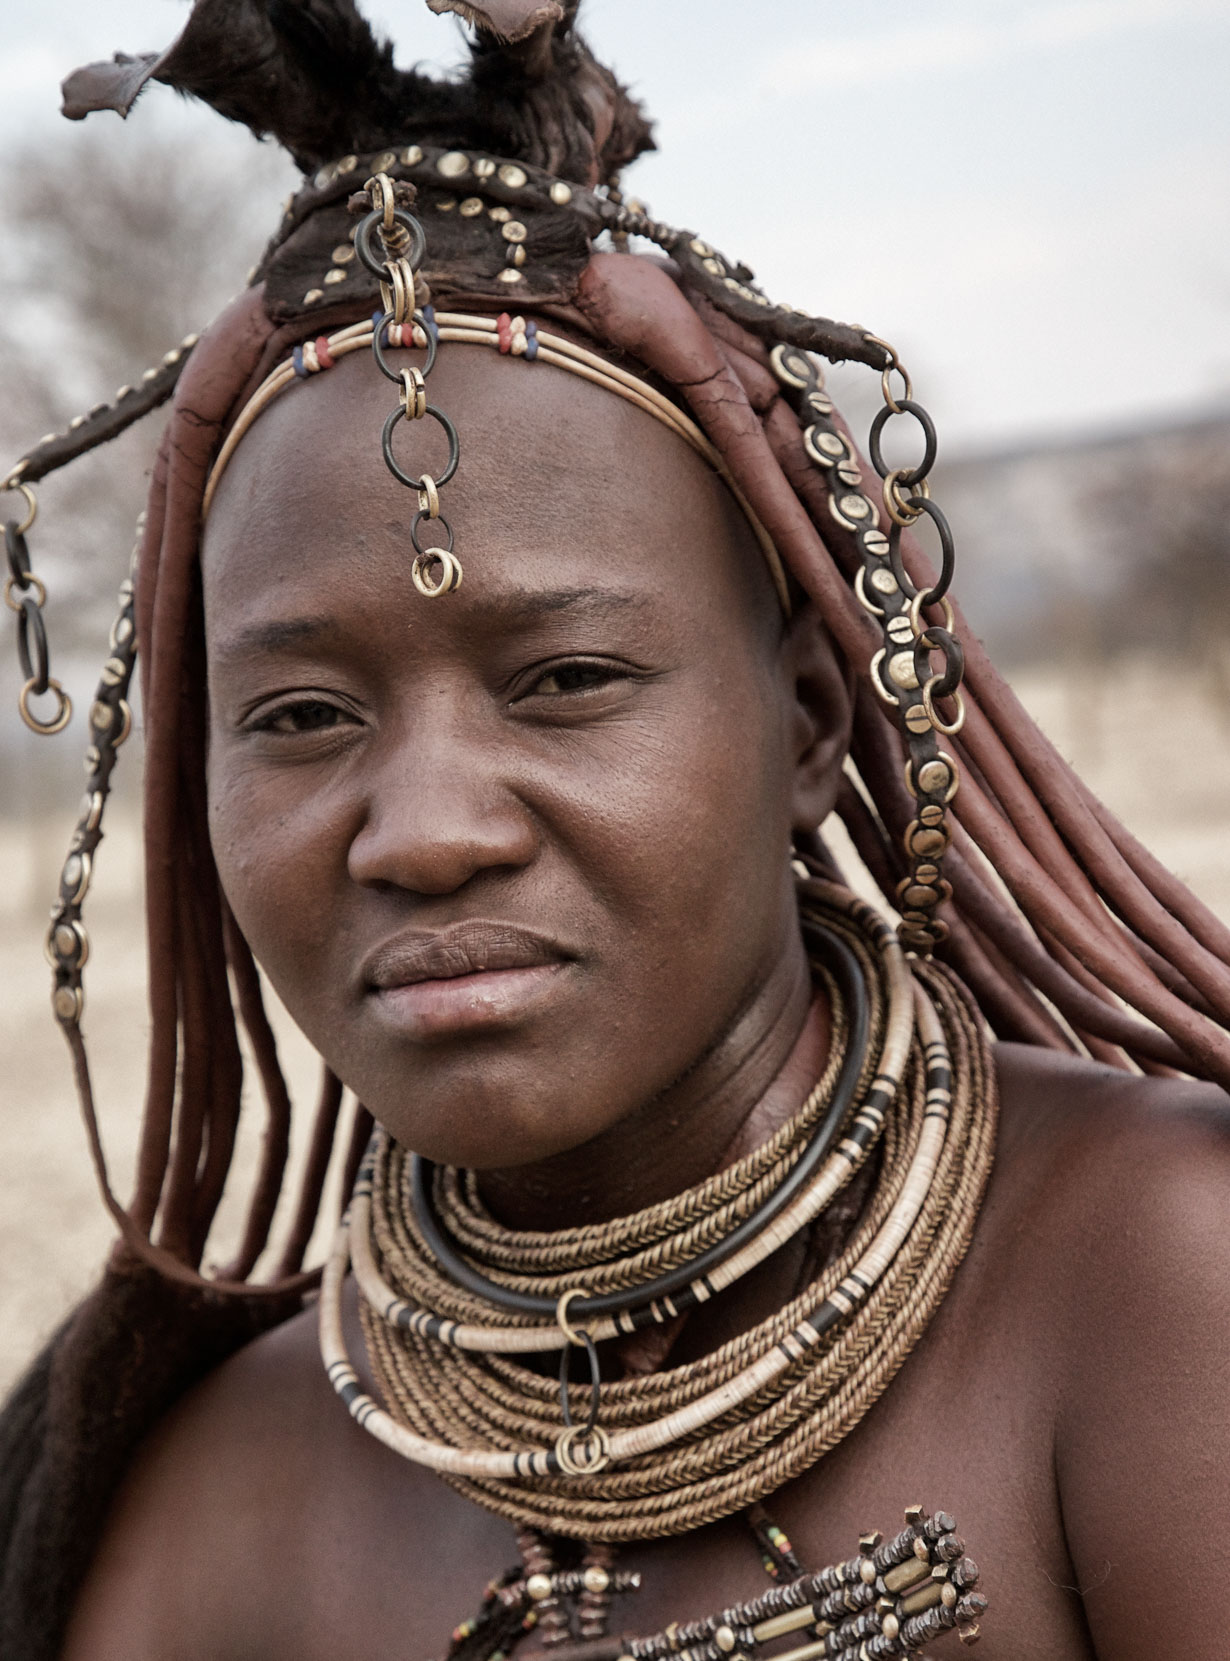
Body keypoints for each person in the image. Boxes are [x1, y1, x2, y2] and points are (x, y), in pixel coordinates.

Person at [2, 4, 1228, 1659]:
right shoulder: (197, 1500)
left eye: (566, 677)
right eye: (299, 717)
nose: (424, 835)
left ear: (805, 720)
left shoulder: (1154, 1278)